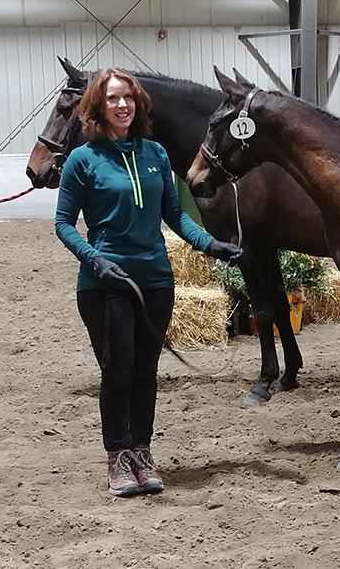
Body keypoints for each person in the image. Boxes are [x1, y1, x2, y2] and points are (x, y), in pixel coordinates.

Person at [55, 68, 243, 497]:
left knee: (146, 372)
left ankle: (141, 451)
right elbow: (63, 223)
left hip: (156, 280)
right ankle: (117, 456)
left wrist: (210, 245)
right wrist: (93, 259)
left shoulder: (156, 154)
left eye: (128, 98)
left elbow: (174, 216)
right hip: (105, 281)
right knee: (117, 371)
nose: (122, 105)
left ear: (138, 103)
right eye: (112, 98)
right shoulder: (84, 160)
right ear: (97, 107)